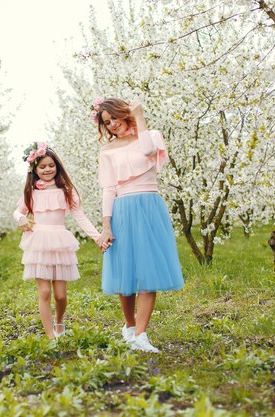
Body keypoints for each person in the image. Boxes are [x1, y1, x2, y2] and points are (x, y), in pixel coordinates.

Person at [93, 97, 184, 353]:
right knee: (125, 270)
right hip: (122, 207)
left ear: (125, 113)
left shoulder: (151, 135)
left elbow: (146, 151)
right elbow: (108, 188)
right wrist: (106, 225)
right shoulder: (107, 151)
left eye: (114, 118)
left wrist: (139, 117)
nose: (112, 125)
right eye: (107, 123)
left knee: (148, 270)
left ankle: (142, 335)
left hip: (149, 205)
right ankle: (130, 328)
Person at [13, 142, 102, 340]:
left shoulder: (66, 191)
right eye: (42, 166)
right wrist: (21, 219)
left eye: (51, 165)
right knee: (44, 292)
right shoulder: (31, 192)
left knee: (60, 295)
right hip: (38, 243)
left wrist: (97, 237)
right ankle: (50, 337)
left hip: (60, 241)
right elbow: (18, 211)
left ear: (57, 166)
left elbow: (80, 217)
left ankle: (59, 320)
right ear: (34, 169)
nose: (47, 170)